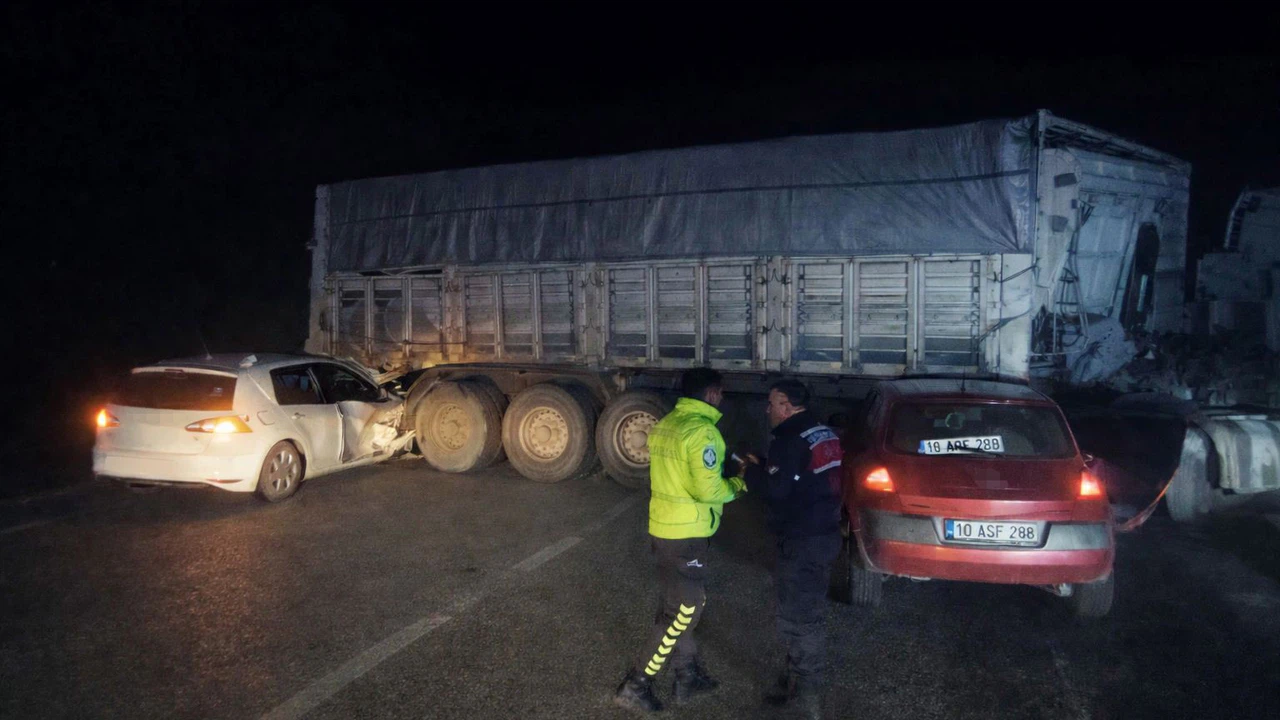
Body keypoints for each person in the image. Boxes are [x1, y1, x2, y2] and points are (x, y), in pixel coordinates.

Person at [614, 367, 748, 713]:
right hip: (686, 535)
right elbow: (709, 490)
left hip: (665, 528)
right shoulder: (702, 432)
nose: (721, 398)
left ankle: (687, 676)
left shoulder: (667, 424)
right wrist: (739, 484)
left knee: (686, 604)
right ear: (713, 394)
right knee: (684, 610)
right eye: (720, 393)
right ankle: (636, 684)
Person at [743, 380, 843, 719]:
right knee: (806, 611)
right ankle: (796, 682)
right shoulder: (823, 432)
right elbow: (804, 474)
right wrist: (769, 464)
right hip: (825, 534)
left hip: (801, 541)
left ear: (787, 406)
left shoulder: (788, 441)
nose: (768, 410)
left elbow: (776, 491)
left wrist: (750, 471)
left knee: (801, 619)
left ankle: (805, 700)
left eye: (772, 404)